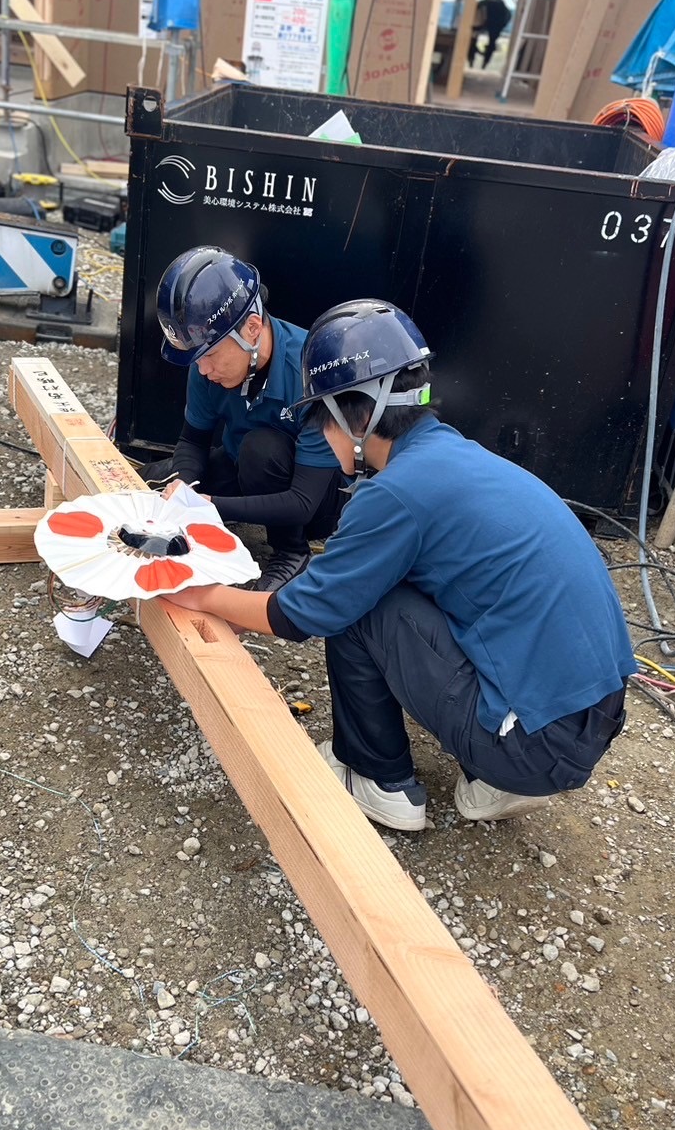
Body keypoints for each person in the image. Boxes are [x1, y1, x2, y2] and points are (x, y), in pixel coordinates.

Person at [165, 298, 635, 830]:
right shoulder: (456, 456)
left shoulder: (395, 494)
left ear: (353, 415)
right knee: (404, 583)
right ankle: (494, 781)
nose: (319, 437)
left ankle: (379, 781)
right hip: (588, 720)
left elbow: (300, 614)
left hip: (536, 745)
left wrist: (198, 593)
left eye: (320, 421)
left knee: (356, 604)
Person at [149, 245, 345, 594]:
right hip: (244, 467)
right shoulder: (206, 363)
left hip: (312, 499)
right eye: (195, 358)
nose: (203, 369)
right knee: (154, 484)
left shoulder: (312, 373)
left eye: (209, 356)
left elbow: (303, 502)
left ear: (252, 328)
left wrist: (210, 505)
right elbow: (193, 440)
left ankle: (291, 552)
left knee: (261, 448)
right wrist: (186, 488)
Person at [469, 0, 512, 69]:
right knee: (489, 41)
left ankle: (475, 61)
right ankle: (480, 62)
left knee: (477, 39)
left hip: (497, 19)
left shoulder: (498, 15)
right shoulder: (483, 6)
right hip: (496, 18)